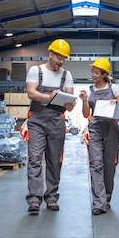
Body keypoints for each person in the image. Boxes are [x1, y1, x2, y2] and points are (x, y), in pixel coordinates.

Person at [24, 38, 76, 214]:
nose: (61, 61)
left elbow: (70, 98)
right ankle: (34, 199)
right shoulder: (35, 71)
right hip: (37, 119)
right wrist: (50, 97)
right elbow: (31, 92)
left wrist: (70, 104)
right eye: (58, 57)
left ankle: (52, 196)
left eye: (64, 58)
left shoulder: (66, 75)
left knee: (54, 160)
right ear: (50, 54)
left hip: (57, 120)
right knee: (35, 157)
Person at [79, 57, 119, 215]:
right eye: (92, 71)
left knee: (109, 165)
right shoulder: (90, 90)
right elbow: (86, 114)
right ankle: (99, 203)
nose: (93, 75)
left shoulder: (114, 89)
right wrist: (84, 101)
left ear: (104, 74)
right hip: (95, 128)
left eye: (96, 72)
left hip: (111, 128)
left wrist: (114, 104)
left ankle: (106, 198)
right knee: (96, 163)